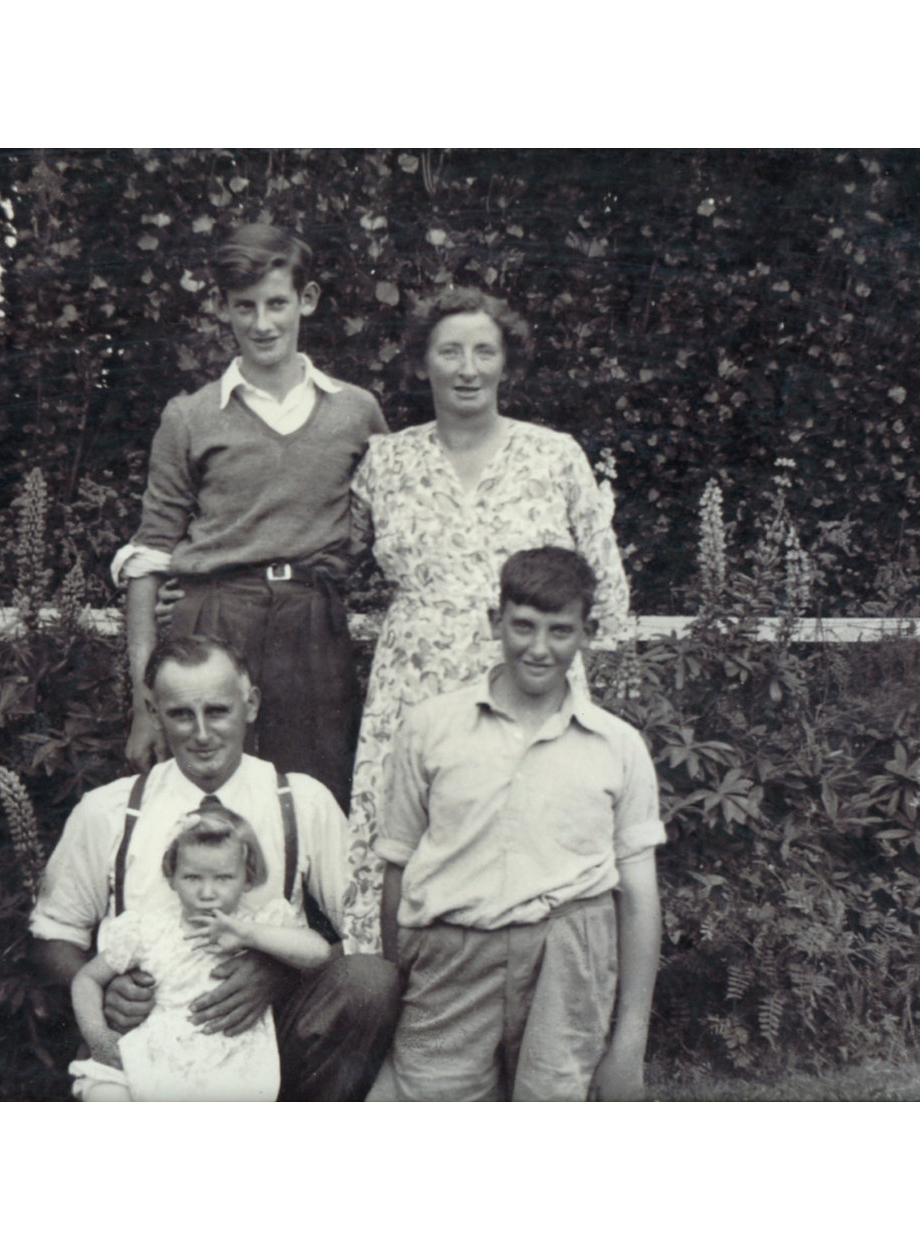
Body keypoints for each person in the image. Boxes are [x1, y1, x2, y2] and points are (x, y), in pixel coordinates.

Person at [344, 286, 631, 951]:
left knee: (534, 834)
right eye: (450, 351)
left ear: (507, 363)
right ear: (423, 363)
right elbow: (331, 557)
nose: (467, 368)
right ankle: (406, 997)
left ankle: (545, 993)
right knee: (410, 838)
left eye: (483, 351)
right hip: (414, 688)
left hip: (535, 679)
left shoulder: (555, 455)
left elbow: (606, 593)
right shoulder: (384, 463)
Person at [30, 633, 400, 1101]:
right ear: (153, 711)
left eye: (218, 711)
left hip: (260, 1031)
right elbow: (52, 937)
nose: (202, 734)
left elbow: (363, 931)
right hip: (147, 1030)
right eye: (182, 714)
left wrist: (279, 973)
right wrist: (106, 991)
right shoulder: (109, 810)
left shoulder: (299, 801)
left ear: (251, 705)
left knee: (370, 983)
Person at [112, 223, 388, 809]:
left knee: (312, 800)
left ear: (305, 301)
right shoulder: (190, 416)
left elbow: (392, 522)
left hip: (312, 627)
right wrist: (144, 701)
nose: (263, 324)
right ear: (223, 309)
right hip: (211, 618)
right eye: (245, 307)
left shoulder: (356, 412)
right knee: (203, 807)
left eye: (277, 304)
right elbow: (150, 556)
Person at [376, 547, 663, 1101]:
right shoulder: (430, 727)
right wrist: (399, 988)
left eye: (560, 631)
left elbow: (640, 897)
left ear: (588, 632)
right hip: (451, 958)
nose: (538, 648)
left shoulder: (619, 746)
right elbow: (398, 868)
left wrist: (630, 1039)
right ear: (495, 621)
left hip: (569, 957)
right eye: (523, 626)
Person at [69, 806, 330, 1100]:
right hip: (152, 1058)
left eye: (224, 878)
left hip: (230, 1067)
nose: (208, 893)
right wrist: (98, 1037)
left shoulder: (260, 924)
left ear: (247, 877)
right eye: (193, 878)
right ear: (172, 878)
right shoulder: (147, 930)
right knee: (106, 1094)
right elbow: (86, 980)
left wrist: (248, 935)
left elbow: (319, 953)